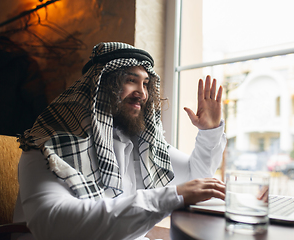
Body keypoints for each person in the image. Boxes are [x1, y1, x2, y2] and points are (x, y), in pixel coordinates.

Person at [14, 42, 226, 240]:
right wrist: (169, 197)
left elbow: (196, 178)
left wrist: (209, 131)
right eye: (131, 80)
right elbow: (52, 223)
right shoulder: (48, 146)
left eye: (145, 83)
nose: (142, 93)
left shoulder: (141, 144)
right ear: (100, 85)